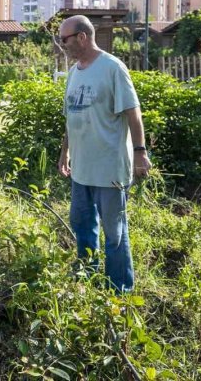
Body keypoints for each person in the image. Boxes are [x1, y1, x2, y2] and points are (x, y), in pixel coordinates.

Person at [56, 15, 151, 293]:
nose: (62, 45)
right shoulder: (74, 73)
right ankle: (87, 275)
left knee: (114, 233)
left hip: (109, 168)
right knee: (82, 224)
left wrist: (140, 152)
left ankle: (119, 290)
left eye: (64, 39)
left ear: (82, 37)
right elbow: (71, 118)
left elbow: (133, 113)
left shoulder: (112, 68)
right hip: (82, 169)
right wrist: (65, 152)